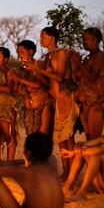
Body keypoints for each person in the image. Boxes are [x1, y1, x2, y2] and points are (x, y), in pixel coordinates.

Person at [24, 27, 79, 180]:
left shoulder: (60, 53)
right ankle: (66, 172)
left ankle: (72, 174)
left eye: (43, 36)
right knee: (61, 139)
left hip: (66, 99)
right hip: (56, 101)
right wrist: (35, 70)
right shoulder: (48, 56)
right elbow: (46, 80)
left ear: (52, 38)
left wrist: (38, 69)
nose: (41, 39)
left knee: (68, 138)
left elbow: (60, 78)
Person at [0, 132, 64, 208]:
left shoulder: (26, 173)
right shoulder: (52, 162)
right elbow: (26, 161)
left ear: (27, 153)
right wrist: (4, 163)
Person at [12, 40, 52, 135]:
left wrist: (33, 71)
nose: (20, 55)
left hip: (42, 106)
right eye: (18, 52)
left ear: (30, 52)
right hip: (28, 110)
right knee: (32, 141)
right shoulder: (21, 70)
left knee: (41, 138)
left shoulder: (40, 64)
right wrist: (16, 79)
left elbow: (43, 84)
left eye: (22, 52)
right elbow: (17, 90)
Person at [77, 27, 104, 141]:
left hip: (94, 103)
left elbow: (92, 77)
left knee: (94, 142)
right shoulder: (87, 57)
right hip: (85, 103)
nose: (84, 42)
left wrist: (79, 64)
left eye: (86, 39)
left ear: (95, 40)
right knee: (89, 140)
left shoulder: (100, 55)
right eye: (83, 39)